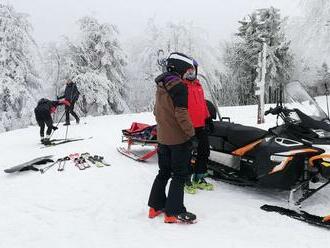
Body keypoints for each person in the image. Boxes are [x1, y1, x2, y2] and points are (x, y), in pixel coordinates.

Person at [148, 52, 198, 224]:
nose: (187, 75)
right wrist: (191, 134)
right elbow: (181, 113)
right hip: (178, 140)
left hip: (163, 138)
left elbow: (156, 111)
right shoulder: (179, 86)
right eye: (187, 71)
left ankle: (155, 207)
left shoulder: (161, 85)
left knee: (163, 172)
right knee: (179, 174)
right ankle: (173, 212)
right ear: (180, 68)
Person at [182, 59, 214, 194]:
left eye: (193, 70)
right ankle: (186, 179)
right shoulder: (181, 86)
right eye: (188, 70)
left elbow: (202, 104)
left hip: (201, 125)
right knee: (187, 154)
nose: (191, 72)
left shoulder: (198, 84)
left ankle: (199, 177)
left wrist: (208, 119)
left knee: (204, 151)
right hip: (187, 127)